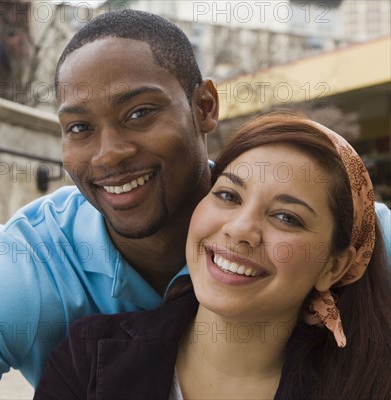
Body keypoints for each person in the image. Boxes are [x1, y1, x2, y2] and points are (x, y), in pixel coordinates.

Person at [0, 10, 391, 398]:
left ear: (204, 108)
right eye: (79, 127)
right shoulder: (23, 266)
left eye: (139, 113)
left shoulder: (358, 237)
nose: (110, 155)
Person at [33, 112, 391, 400]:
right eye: (229, 196)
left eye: (286, 217)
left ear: (334, 266)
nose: (239, 229)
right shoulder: (86, 360)